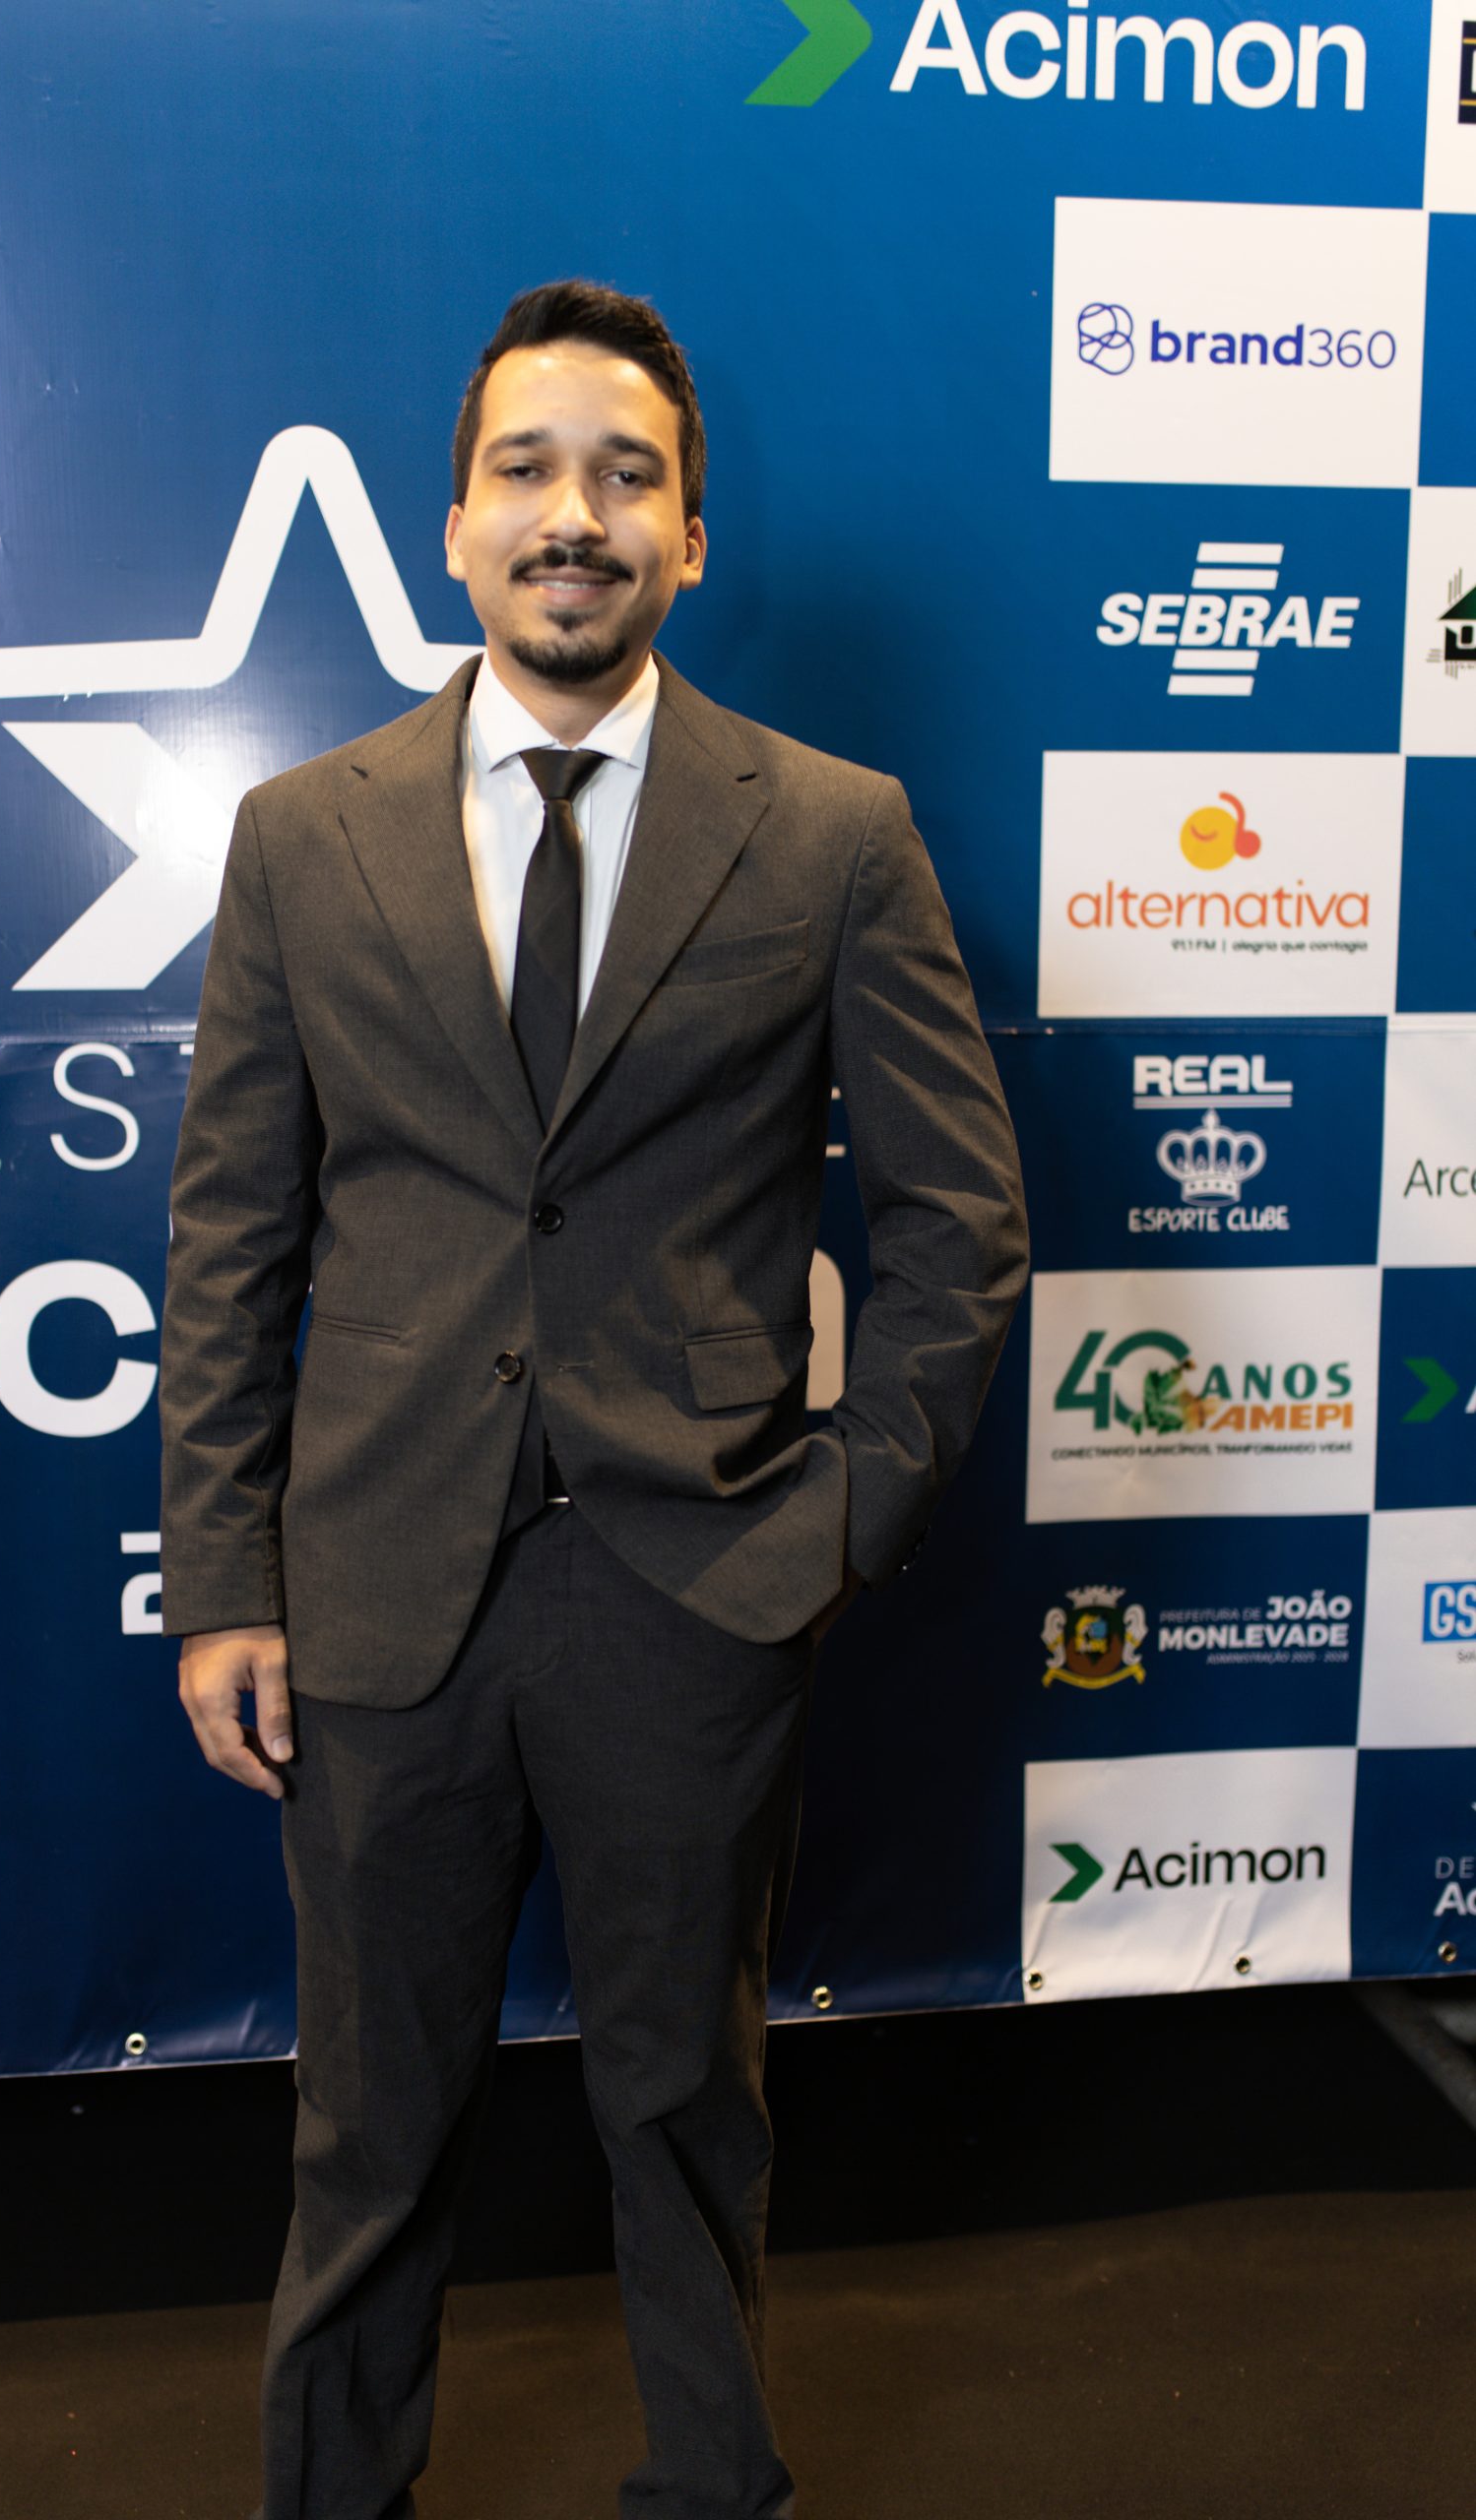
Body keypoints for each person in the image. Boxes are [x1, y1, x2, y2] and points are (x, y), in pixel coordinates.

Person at [160, 279, 1029, 2520]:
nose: (576, 515)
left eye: (627, 477)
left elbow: (958, 1223)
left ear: (689, 538)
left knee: (682, 2104)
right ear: (454, 524)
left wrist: (836, 1520)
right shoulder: (299, 833)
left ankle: (715, 2490)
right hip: (378, 1593)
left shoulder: (829, 830)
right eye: (528, 471)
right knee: (367, 2129)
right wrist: (223, 1576)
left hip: (697, 1586)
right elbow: (232, 1236)